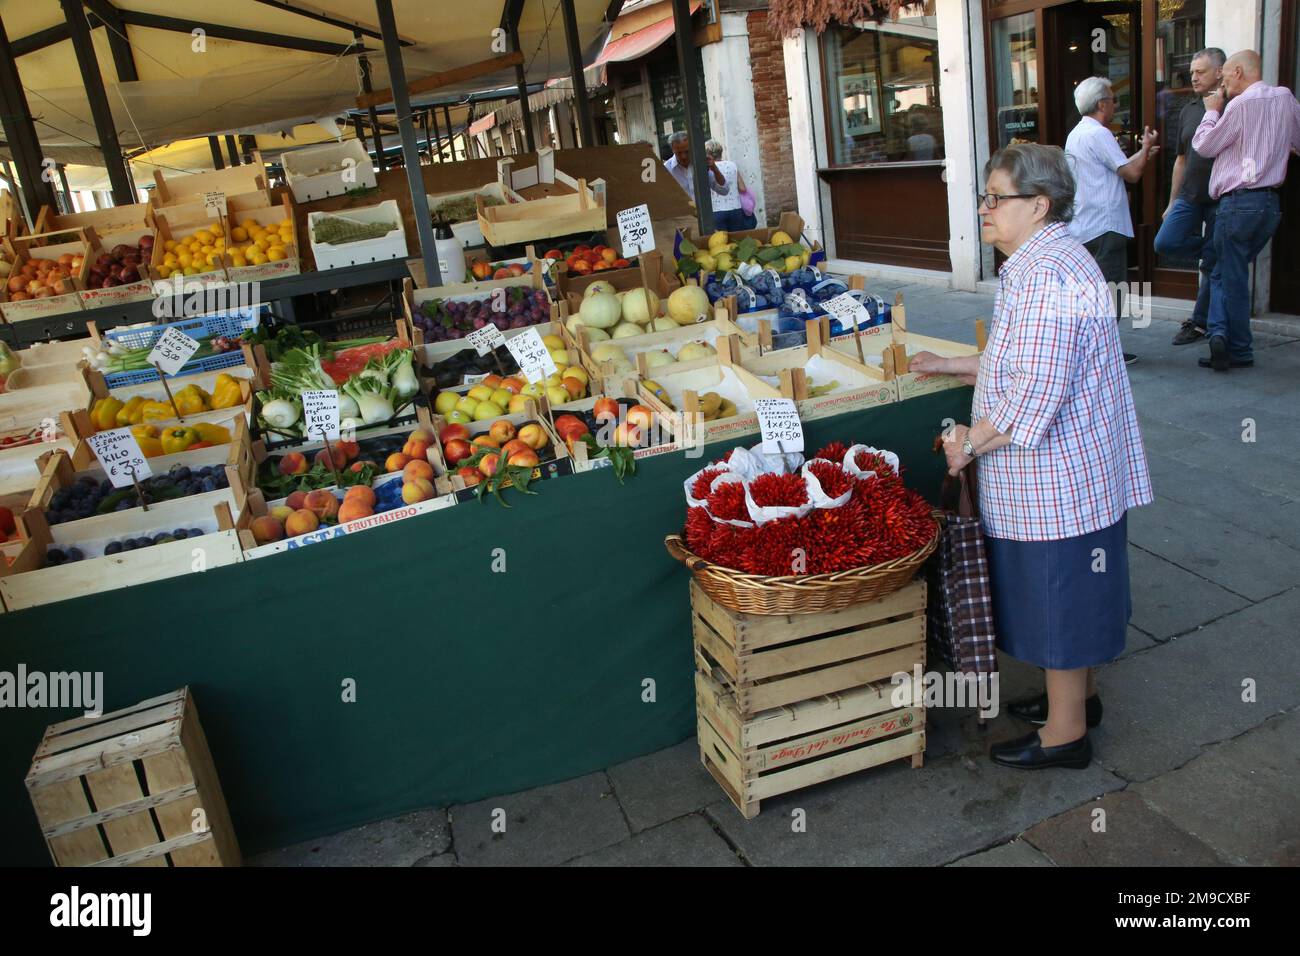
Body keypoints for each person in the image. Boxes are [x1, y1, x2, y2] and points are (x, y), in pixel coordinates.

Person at [910, 144, 1153, 771]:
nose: (984, 209)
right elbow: (1018, 363)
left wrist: (969, 444)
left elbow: (1033, 396)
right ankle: (1079, 702)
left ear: (1039, 206)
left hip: (1059, 478)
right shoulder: (1046, 260)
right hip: (1076, 470)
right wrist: (952, 364)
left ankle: (1066, 736)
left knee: (1059, 598)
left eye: (997, 198)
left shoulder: (1047, 275)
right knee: (1071, 594)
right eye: (985, 197)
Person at [1191, 50, 1300, 371]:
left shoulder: (1239, 105)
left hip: (1239, 202)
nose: (1222, 83)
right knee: (1227, 272)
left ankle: (1235, 346)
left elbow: (1205, 146)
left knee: (1231, 276)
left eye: (1224, 76)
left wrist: (1211, 112)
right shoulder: (1285, 98)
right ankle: (1220, 334)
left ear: (1238, 72)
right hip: (1269, 205)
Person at [1064, 76, 1160, 366]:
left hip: (1084, 223)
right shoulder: (1098, 133)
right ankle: (1101, 353)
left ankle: (1087, 348)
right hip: (1105, 224)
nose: (1115, 106)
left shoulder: (1076, 134)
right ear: (1102, 103)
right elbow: (1130, 173)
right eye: (1113, 100)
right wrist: (1145, 151)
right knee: (1112, 290)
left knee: (1094, 290)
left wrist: (1141, 155)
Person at [1155, 48, 1226, 347]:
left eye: (1201, 71)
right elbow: (1180, 160)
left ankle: (1199, 323)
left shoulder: (1235, 106)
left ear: (1220, 72)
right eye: (1193, 71)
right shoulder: (1188, 108)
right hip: (1190, 196)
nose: (1193, 77)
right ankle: (1210, 251)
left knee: (1214, 269)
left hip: (1223, 198)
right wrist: (1172, 202)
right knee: (1165, 241)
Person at [703, 140, 756, 231]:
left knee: (721, 242)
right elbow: (742, 188)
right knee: (736, 241)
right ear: (721, 152)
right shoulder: (732, 165)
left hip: (716, 211)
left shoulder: (707, 169)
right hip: (735, 209)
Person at [663, 131, 728, 205]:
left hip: (705, 214)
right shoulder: (666, 169)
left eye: (687, 152)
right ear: (673, 150)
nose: (683, 156)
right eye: (679, 153)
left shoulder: (701, 164)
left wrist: (714, 169)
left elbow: (724, 190)